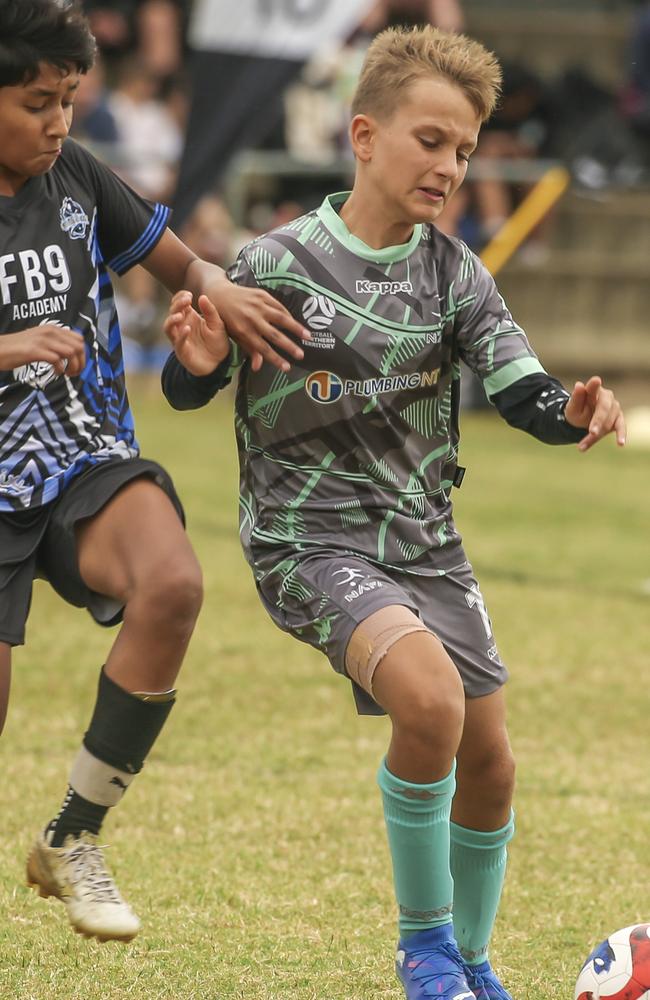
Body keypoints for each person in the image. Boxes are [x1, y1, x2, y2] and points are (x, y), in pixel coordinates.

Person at [161, 25, 626, 1000]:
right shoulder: (277, 260)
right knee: (428, 703)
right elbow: (189, 382)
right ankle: (422, 951)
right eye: (429, 140)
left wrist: (569, 406)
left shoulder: (453, 272)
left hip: (424, 544)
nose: (449, 166)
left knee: (490, 765)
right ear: (363, 135)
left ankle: (468, 958)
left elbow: (520, 388)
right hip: (306, 539)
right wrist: (194, 362)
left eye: (462, 150)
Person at [0, 0, 307, 945]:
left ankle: (73, 836)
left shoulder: (80, 177)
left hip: (81, 451)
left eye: (70, 99)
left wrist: (221, 304)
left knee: (172, 583)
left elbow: (185, 267)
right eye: (37, 102)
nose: (60, 121)